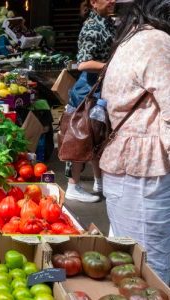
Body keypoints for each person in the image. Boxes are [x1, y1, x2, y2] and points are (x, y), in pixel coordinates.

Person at [100, 0, 170, 284]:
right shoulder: (157, 42)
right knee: (151, 265)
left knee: (126, 260)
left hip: (126, 166)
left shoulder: (132, 39)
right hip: (144, 172)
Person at [64, 0, 115, 202]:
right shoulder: (91, 27)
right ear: (94, 2)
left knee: (97, 135)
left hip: (100, 88)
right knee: (82, 136)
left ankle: (99, 181)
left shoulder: (108, 22)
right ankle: (72, 186)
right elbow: (83, 63)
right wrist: (112, 65)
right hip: (88, 89)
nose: (113, 0)